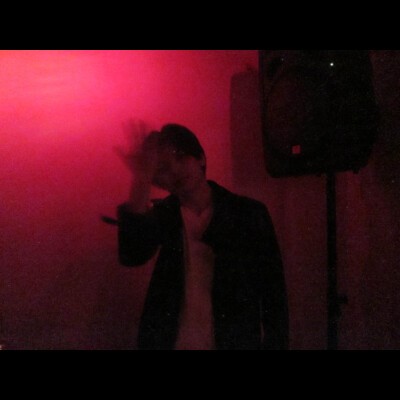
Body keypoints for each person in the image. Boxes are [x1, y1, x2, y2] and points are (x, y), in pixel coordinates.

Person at [115, 121, 289, 350]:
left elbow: (273, 292)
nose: (175, 170)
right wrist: (141, 178)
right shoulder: (164, 215)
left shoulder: (247, 213)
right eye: (164, 168)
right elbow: (132, 254)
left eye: (180, 156)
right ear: (158, 181)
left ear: (201, 158)